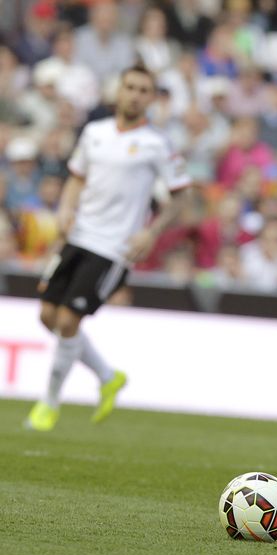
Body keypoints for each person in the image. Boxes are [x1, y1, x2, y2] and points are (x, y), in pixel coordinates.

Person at [25, 65, 192, 432]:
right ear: (119, 91)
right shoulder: (94, 132)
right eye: (129, 87)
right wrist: (67, 209)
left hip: (114, 247)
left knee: (68, 320)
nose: (134, 94)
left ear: (151, 98)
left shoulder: (157, 142)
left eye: (143, 90)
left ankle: (48, 404)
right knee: (47, 316)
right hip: (79, 235)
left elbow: (180, 196)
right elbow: (77, 178)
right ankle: (107, 375)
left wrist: (151, 232)